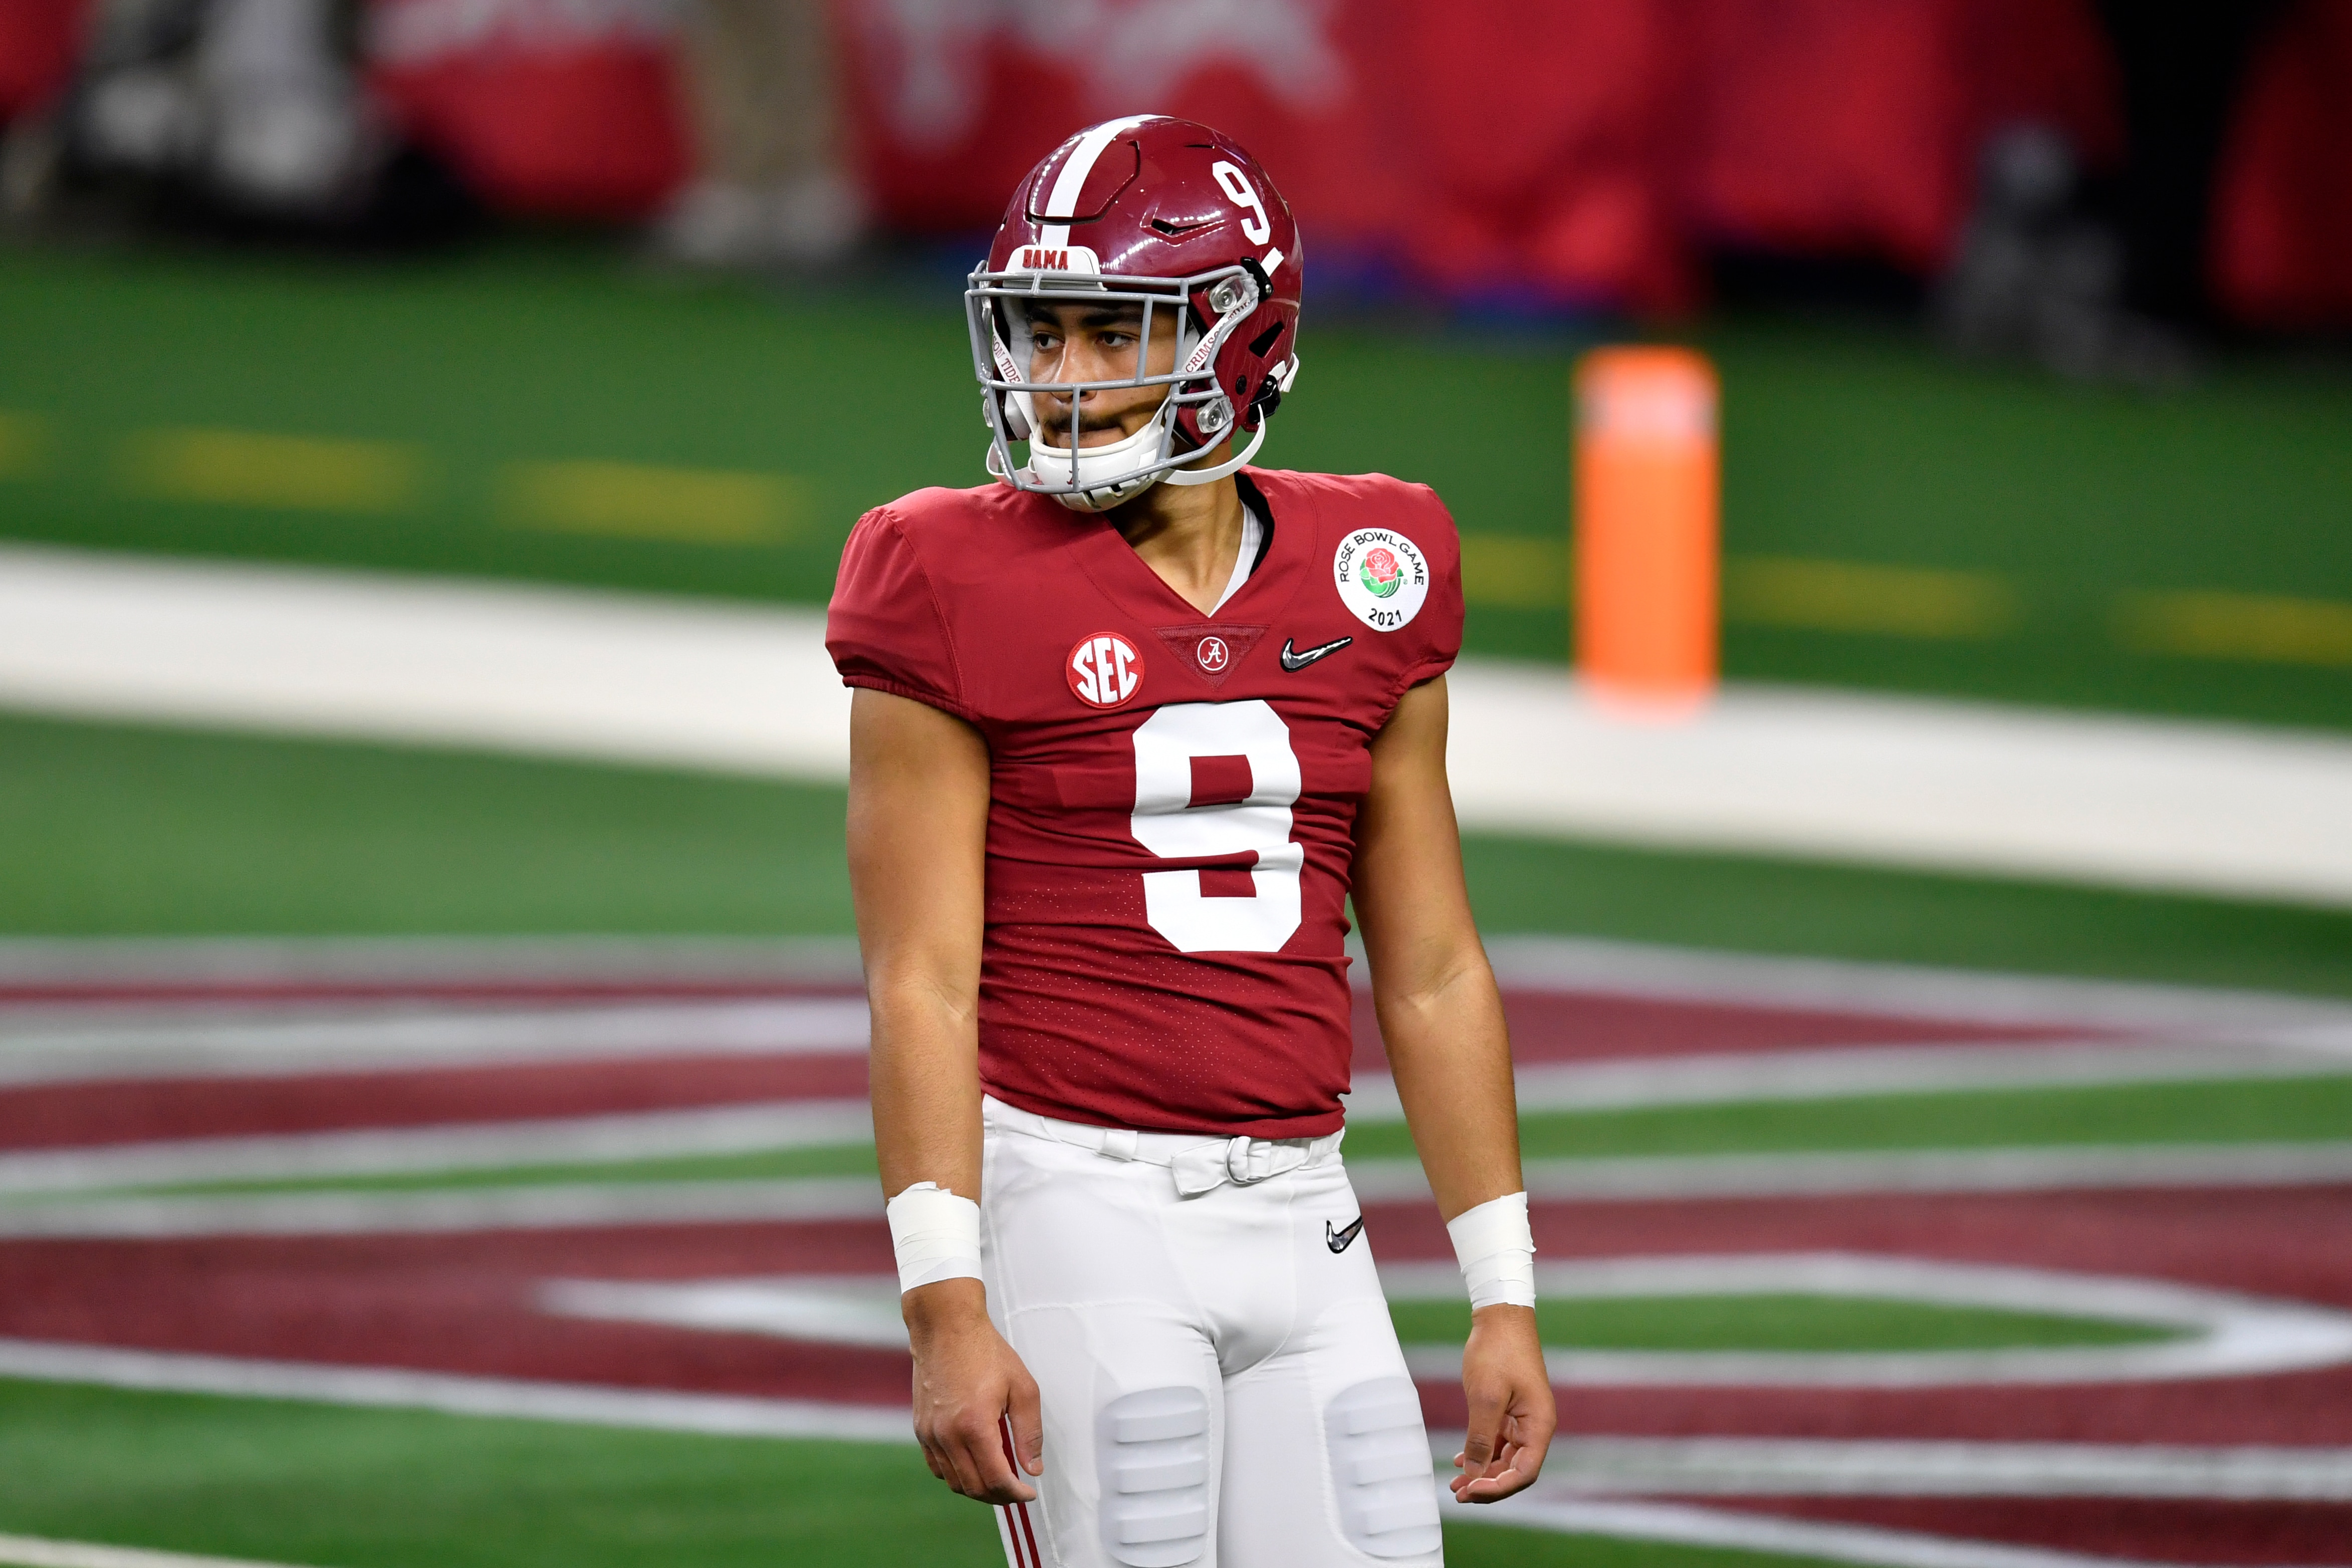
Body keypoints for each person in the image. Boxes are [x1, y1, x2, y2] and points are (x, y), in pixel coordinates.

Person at [826, 114, 1554, 1567]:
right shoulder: (941, 569)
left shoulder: (1373, 569)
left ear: (1244, 338)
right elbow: (921, 981)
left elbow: (1428, 966)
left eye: (1114, 332)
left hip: (1306, 1200)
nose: (1066, 379)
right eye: (1042, 333)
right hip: (1076, 1195)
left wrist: (1503, 1289)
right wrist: (945, 1305)